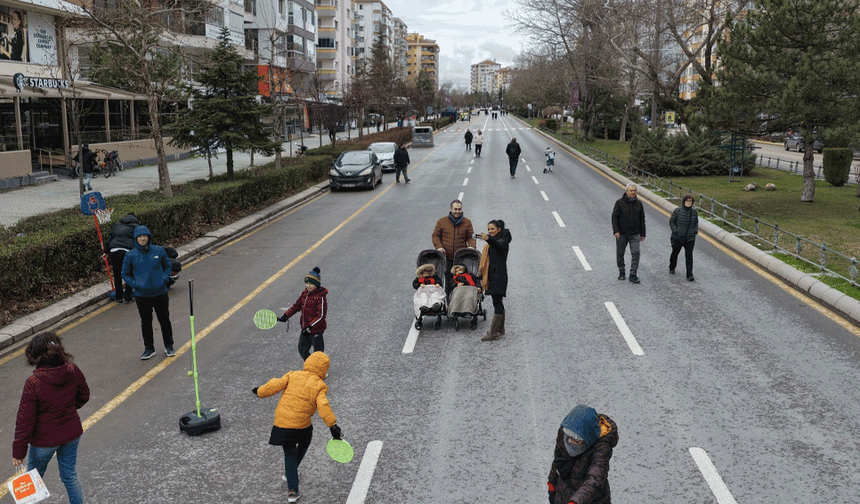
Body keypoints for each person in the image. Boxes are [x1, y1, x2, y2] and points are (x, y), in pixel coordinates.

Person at [252, 351, 343, 504]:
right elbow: (323, 405)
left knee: (289, 453)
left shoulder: (292, 375)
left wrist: (260, 391)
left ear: (307, 363)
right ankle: (291, 481)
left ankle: (292, 486)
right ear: (323, 370)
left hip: (281, 424)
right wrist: (332, 425)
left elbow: (275, 384)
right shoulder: (320, 385)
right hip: (302, 426)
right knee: (306, 439)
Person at [13, 332, 90, 504]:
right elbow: (84, 395)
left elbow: (25, 420)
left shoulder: (34, 382)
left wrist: (19, 451)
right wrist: (69, 409)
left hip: (43, 441)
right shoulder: (72, 369)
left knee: (33, 479)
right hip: (71, 434)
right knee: (70, 475)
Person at [122, 225, 175, 360]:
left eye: (145, 236)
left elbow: (168, 267)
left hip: (160, 293)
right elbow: (125, 274)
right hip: (142, 296)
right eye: (140, 237)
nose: (142, 239)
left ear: (149, 237)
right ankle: (149, 348)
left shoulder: (159, 251)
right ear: (136, 239)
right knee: (146, 322)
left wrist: (163, 279)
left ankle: (169, 346)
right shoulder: (130, 255)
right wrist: (135, 285)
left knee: (164, 320)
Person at [547, 405, 619, 504]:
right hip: (563, 493)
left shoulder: (601, 447)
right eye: (569, 438)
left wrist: (575, 501)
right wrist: (552, 482)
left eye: (576, 441)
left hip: (590, 498)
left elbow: (595, 479)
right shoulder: (565, 434)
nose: (570, 442)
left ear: (587, 438)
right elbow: (559, 460)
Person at [278, 267, 328, 360]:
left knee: (318, 354)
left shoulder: (320, 297)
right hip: (305, 329)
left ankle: (321, 370)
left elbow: (321, 316)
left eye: (311, 284)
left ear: (316, 284)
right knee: (302, 350)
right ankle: (312, 365)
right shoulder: (304, 294)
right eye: (307, 283)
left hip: (316, 330)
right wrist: (285, 316)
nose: (308, 286)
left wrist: (310, 327)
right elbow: (296, 306)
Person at [477, 219, 511, 341]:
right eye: (489, 229)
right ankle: (500, 330)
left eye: (492, 229)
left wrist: (488, 239)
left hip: (499, 276)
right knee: (498, 301)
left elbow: (498, 246)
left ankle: (493, 332)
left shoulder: (503, 241)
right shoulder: (496, 240)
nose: (490, 231)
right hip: (494, 276)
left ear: (499, 229)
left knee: (497, 302)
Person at [431, 200, 475, 292]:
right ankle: (448, 302)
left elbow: (471, 237)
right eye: (455, 209)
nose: (457, 211)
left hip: (460, 258)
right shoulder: (442, 221)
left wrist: (471, 246)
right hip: (447, 257)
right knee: (448, 281)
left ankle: (459, 301)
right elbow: (435, 236)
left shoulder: (467, 222)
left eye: (459, 209)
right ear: (450, 209)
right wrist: (439, 246)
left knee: (460, 280)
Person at [611, 184, 646, 284]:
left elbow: (642, 219)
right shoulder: (619, 203)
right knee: (620, 253)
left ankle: (633, 274)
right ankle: (622, 272)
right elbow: (614, 218)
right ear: (626, 191)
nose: (633, 192)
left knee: (636, 253)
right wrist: (616, 231)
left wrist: (643, 233)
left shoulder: (639, 204)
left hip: (635, 234)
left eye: (634, 190)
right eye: (631, 190)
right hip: (622, 234)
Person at [104, 212, 139, 304]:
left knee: (117, 274)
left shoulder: (117, 225)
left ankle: (118, 296)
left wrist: (106, 251)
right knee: (128, 273)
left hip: (114, 251)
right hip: (127, 251)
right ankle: (128, 296)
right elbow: (138, 241)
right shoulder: (136, 227)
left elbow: (109, 239)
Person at [669, 194, 699, 281]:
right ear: (684, 202)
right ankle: (672, 267)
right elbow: (672, 222)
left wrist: (694, 232)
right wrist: (676, 231)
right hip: (678, 237)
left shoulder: (694, 212)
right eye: (687, 201)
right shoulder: (677, 211)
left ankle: (689, 274)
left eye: (690, 201)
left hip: (690, 238)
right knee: (675, 253)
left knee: (689, 256)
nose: (689, 203)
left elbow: (696, 223)